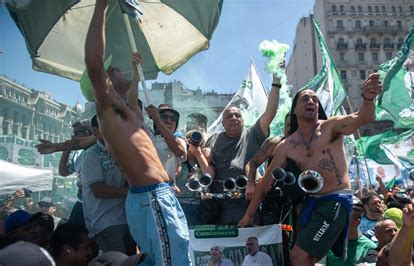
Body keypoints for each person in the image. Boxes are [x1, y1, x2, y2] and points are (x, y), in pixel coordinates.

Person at [85, 1, 191, 265]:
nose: (116, 68)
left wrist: (134, 70)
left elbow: (132, 96)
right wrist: (101, 5)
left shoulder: (128, 113)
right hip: (151, 198)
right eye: (114, 69)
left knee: (170, 258)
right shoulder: (109, 114)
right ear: (105, 80)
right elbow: (94, 65)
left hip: (158, 196)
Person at [239, 73, 382, 265]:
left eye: (315, 100)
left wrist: (368, 98)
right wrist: (249, 214)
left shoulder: (331, 127)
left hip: (336, 201)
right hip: (312, 203)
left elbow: (362, 117)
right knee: (304, 258)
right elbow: (266, 182)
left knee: (299, 255)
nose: (311, 102)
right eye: (305, 99)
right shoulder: (287, 145)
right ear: (295, 108)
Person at [201, 68, 282, 225]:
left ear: (243, 120)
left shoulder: (252, 134)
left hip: (247, 204)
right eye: (229, 116)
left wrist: (276, 83)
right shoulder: (214, 138)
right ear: (222, 123)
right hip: (220, 206)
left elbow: (269, 113)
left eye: (237, 115)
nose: (234, 118)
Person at [80, 115, 135, 255]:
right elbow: (98, 190)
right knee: (118, 261)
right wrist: (133, 192)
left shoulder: (122, 151)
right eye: (107, 125)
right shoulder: (90, 155)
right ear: (96, 131)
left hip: (127, 220)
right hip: (106, 223)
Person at [58, 120, 92, 227]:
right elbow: (63, 172)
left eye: (78, 133)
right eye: (73, 133)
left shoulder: (102, 151)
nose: (74, 136)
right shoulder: (79, 155)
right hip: (81, 203)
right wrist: (66, 150)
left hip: (96, 205)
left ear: (89, 133)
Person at [146, 104, 187, 192]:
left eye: (173, 119)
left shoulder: (180, 141)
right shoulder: (148, 137)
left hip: (167, 194)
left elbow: (179, 152)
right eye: (164, 117)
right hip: (146, 194)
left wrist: (159, 122)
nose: (168, 120)